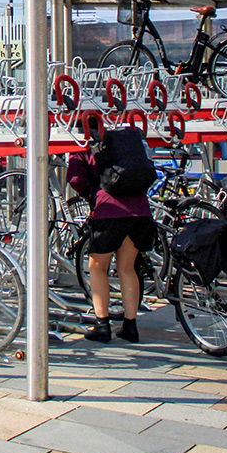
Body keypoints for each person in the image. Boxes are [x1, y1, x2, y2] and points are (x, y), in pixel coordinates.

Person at [66, 146, 156, 344]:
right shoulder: (122, 139)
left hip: (109, 211)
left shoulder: (81, 144)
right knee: (127, 267)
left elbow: (75, 179)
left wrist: (90, 194)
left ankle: (102, 325)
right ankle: (130, 326)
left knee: (97, 267)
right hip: (139, 210)